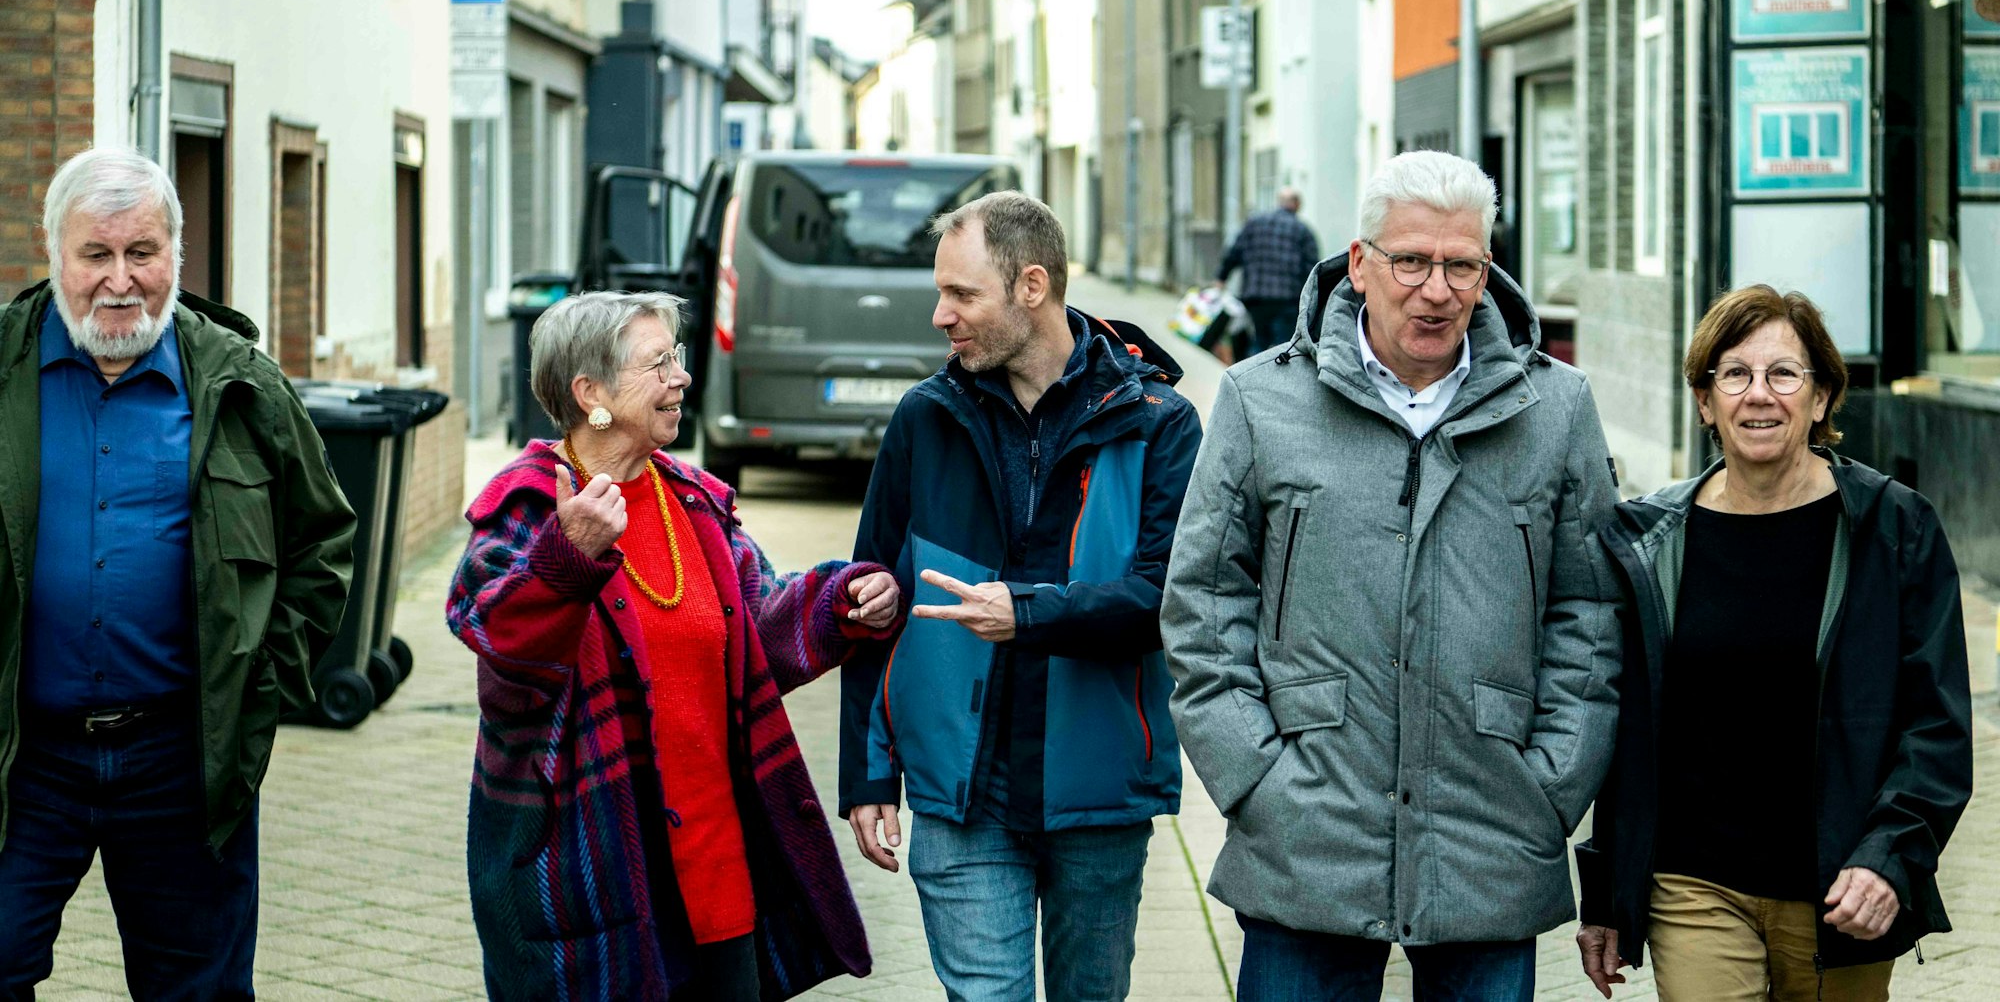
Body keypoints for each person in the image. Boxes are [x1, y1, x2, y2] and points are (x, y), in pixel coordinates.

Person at [1161, 150, 1622, 1000]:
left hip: (1492, 828)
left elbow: (1589, 612)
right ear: (1361, 262)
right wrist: (1255, 778)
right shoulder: (1262, 399)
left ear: (1487, 270)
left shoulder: (1556, 408)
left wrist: (1551, 784)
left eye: (1461, 265)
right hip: (1306, 833)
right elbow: (1202, 601)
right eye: (1411, 260)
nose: (1436, 289)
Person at [447, 291, 903, 1000]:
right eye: (658, 363)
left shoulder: (690, 500)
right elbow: (501, 651)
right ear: (591, 393)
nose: (681, 377)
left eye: (677, 357)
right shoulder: (529, 505)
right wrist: (567, 559)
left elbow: (758, 626)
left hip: (715, 868)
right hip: (589, 871)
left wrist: (844, 600)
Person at [0, 146, 357, 999]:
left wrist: (258, 686)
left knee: (197, 989)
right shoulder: (4, 369)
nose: (120, 279)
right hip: (20, 759)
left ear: (176, 255)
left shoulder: (240, 385)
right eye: (95, 253)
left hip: (184, 760)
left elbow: (322, 542)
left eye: (142, 252)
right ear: (55, 255)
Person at [839, 191, 1203, 1001]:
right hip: (962, 797)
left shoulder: (1158, 422)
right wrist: (867, 776)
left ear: (1031, 286)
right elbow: (869, 598)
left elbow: (1166, 599)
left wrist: (1026, 612)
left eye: (961, 294)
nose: (940, 314)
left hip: (1100, 793)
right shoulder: (925, 419)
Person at [1573, 286, 1973, 1002]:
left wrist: (1890, 856)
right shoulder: (1650, 542)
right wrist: (1606, 891)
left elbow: (1938, 725)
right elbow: (1626, 731)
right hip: (1693, 884)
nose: (1760, 394)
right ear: (1705, 402)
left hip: (1841, 887)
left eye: (1784, 373)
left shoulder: (1893, 529)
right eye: (1735, 374)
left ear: (1821, 399)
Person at [1216, 185, 1321, 353]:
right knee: (1284, 346)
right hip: (1287, 298)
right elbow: (1311, 267)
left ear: (1279, 202)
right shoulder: (1303, 230)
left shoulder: (1254, 224)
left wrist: (1221, 278)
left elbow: (1234, 252)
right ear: (1297, 204)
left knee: (1259, 340)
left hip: (1256, 297)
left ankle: (1252, 368)